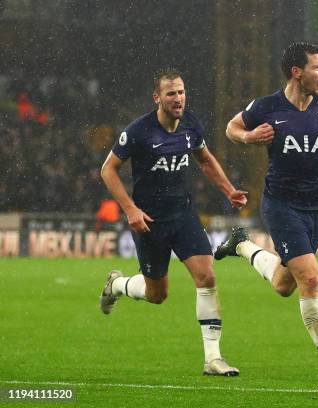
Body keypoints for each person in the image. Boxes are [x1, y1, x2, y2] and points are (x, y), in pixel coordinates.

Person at [215, 42, 318, 389]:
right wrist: (250, 136)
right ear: (297, 72)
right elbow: (231, 128)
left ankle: (241, 246)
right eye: (317, 67)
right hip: (282, 206)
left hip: (315, 208)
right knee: (310, 278)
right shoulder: (268, 107)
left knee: (285, 284)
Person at [99, 68, 247, 376]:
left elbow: (204, 159)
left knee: (206, 277)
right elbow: (108, 170)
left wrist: (229, 190)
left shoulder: (191, 124)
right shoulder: (139, 131)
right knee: (157, 295)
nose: (178, 98)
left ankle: (213, 359)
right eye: (171, 94)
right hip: (149, 222)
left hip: (183, 215)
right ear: (158, 98)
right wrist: (130, 209)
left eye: (181, 92)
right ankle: (118, 284)